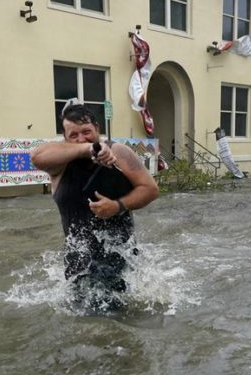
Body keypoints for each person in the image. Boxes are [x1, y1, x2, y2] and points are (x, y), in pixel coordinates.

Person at [31, 101, 159, 311]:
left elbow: (150, 189)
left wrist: (118, 205)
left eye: (87, 132)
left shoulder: (120, 153)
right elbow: (36, 157)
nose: (81, 137)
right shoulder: (58, 164)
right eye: (74, 135)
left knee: (119, 322)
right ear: (65, 138)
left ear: (97, 129)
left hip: (119, 255)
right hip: (78, 261)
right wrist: (87, 149)